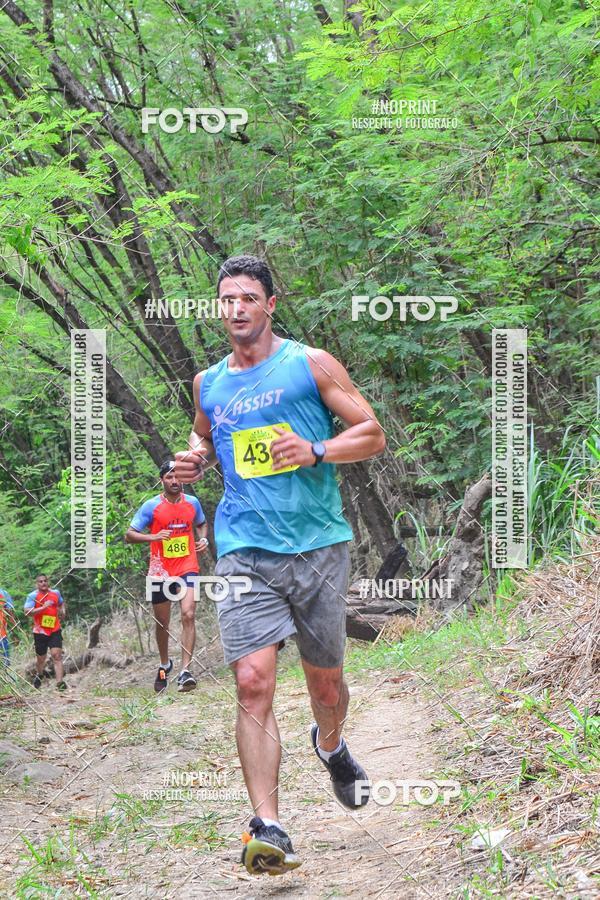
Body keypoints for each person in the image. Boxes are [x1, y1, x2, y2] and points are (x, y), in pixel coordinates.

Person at [174, 254, 386, 876]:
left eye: (248, 297)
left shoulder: (310, 364)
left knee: (326, 688)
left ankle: (331, 745)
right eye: (227, 299)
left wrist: (315, 449)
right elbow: (205, 437)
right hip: (243, 549)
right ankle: (268, 827)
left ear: (269, 304)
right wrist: (193, 461)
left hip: (316, 545)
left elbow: (372, 433)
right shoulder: (208, 382)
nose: (236, 308)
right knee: (252, 682)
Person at [125, 461, 209, 693]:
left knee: (188, 614)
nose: (174, 481)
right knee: (162, 623)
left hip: (187, 567)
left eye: (178, 477)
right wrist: (153, 537)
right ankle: (164, 665)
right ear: (161, 480)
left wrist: (203, 539)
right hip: (160, 571)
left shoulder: (192, 503)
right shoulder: (151, 506)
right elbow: (129, 535)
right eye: (169, 477)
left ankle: (185, 671)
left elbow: (202, 523)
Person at [24, 575, 67, 690]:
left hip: (55, 629)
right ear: (37, 584)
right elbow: (27, 612)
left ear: (48, 582)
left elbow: (61, 603)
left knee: (57, 655)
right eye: (40, 581)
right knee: (41, 659)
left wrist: (62, 611)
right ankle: (40, 674)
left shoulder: (55, 593)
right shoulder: (32, 596)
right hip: (40, 632)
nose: (43, 583)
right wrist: (43, 607)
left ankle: (60, 683)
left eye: (45, 581)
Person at [0, 587, 16, 667]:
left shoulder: (3, 593)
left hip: (1, 633)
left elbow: (10, 611)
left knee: (5, 662)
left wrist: (14, 629)